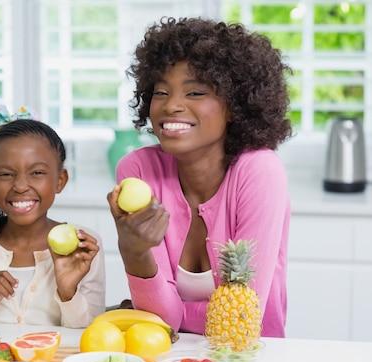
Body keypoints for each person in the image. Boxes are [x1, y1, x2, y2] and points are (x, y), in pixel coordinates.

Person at [107, 17, 292, 337]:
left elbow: (243, 314)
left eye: (195, 92)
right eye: (161, 91)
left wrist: (174, 314)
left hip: (249, 361)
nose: (171, 105)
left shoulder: (259, 171)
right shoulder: (137, 171)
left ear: (234, 105)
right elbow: (162, 320)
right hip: (167, 361)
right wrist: (133, 252)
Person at [0, 103, 106, 328]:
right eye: (6, 174)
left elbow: (92, 336)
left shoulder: (84, 246)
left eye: (37, 173)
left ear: (60, 181)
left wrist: (68, 291)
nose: (20, 186)